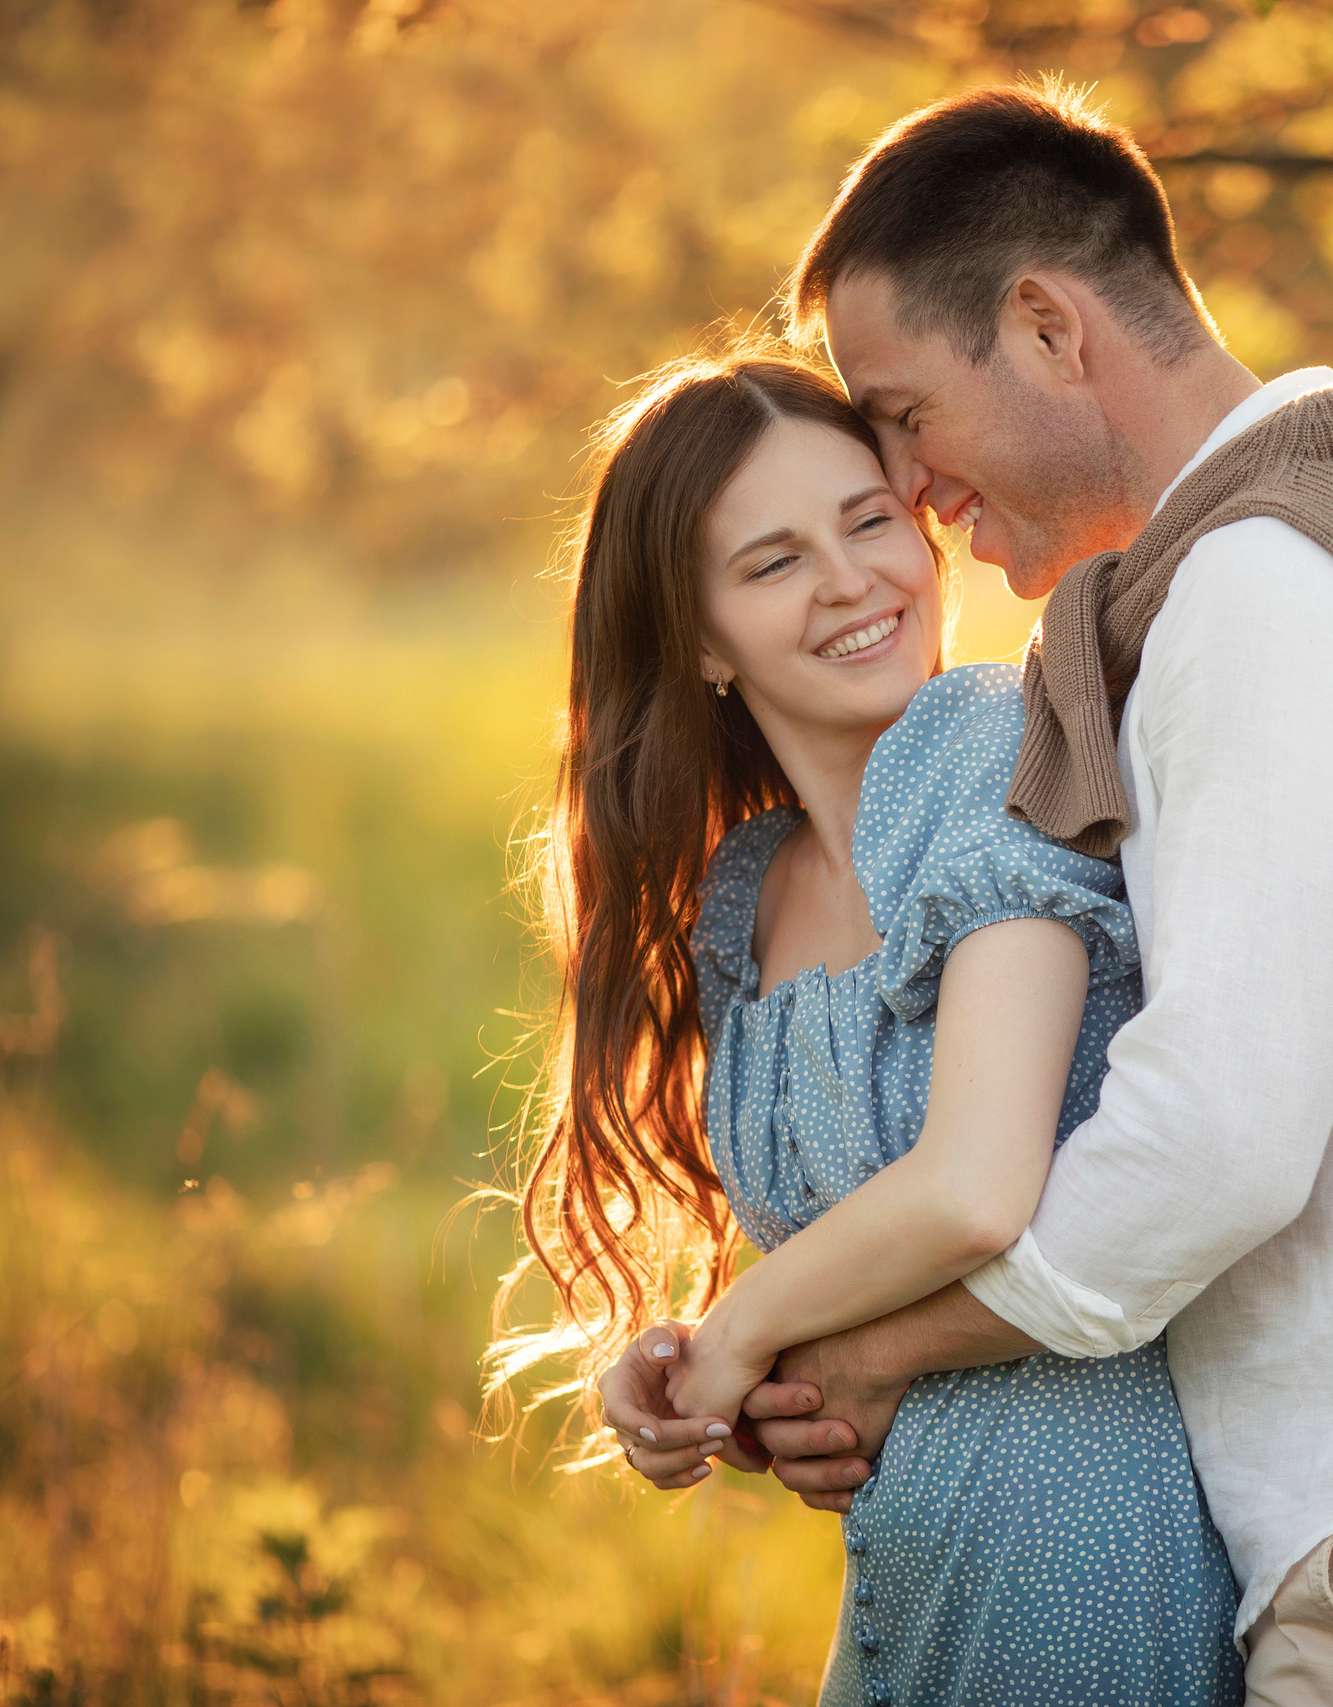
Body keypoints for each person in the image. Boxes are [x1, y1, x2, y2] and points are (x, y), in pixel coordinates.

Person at [708, 84, 1333, 1704]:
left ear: (1047, 328)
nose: (914, 486)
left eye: (910, 415)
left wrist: (870, 1357)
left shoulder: (1260, 588)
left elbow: (1215, 1136)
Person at [509, 349, 1244, 1705]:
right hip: (900, 1567)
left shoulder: (989, 749)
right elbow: (845, 1260)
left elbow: (972, 1192)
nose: (853, 580)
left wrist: (739, 1338)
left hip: (1082, 1536)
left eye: (868, 522)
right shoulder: (747, 895)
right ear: (702, 643)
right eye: (774, 562)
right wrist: (706, 1376)